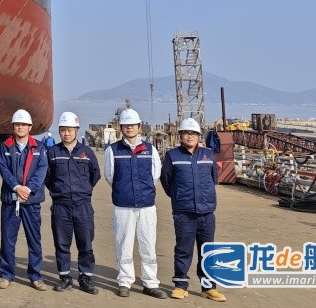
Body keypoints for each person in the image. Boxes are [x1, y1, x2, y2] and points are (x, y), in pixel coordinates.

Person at [160, 118, 225, 302]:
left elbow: (213, 178)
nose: (190, 136)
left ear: (199, 136)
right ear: (181, 135)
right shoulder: (172, 156)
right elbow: (166, 180)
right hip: (184, 213)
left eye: (194, 133)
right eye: (186, 133)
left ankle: (208, 288)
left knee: (208, 251)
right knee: (183, 250)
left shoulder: (207, 154)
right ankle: (180, 286)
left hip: (206, 213)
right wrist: (179, 196)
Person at [105, 108, 167, 298]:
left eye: (133, 125)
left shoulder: (150, 149)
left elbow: (155, 175)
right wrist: (124, 190)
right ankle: (125, 282)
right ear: (121, 127)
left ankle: (150, 283)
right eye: (126, 125)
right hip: (123, 206)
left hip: (146, 205)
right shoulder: (112, 150)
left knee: (148, 245)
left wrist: (143, 191)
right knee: (123, 245)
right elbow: (109, 176)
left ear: (139, 127)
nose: (129, 128)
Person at [45, 111, 101, 294]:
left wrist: (83, 190)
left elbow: (95, 174)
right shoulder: (52, 153)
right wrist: (59, 191)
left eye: (70, 130)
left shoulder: (87, 153)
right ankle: (65, 278)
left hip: (83, 206)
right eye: (63, 130)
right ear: (59, 131)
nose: (66, 133)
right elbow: (47, 178)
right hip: (60, 207)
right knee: (62, 245)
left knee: (86, 244)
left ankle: (85, 279)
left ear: (77, 130)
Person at [0, 109, 48, 290]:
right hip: (11, 199)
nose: (20, 127)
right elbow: (3, 169)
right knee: (8, 239)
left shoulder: (39, 147)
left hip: (31, 200)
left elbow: (42, 170)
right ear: (13, 127)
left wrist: (28, 189)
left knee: (34, 240)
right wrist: (16, 187)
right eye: (17, 124)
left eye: (23, 124)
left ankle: (36, 276)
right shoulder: (6, 146)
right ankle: (6, 275)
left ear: (30, 127)